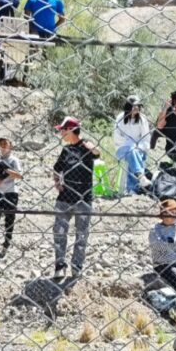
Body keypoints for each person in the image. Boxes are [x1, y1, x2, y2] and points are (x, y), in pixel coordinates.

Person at [52, 117, 98, 282]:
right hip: (64, 197)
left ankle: (77, 267)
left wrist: (89, 145)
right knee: (59, 232)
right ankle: (60, 265)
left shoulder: (86, 147)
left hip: (84, 198)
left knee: (81, 234)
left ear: (70, 130)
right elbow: (56, 168)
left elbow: (97, 153)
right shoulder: (66, 150)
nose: (61, 133)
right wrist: (57, 182)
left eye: (63, 130)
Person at [148, 198, 176, 294]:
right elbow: (157, 246)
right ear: (163, 215)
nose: (173, 216)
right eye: (171, 213)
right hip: (164, 263)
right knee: (175, 274)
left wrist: (173, 241)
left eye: (175, 213)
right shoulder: (155, 229)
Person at [0, 137, 22, 255]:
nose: (3, 146)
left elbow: (19, 175)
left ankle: (7, 241)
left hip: (11, 191)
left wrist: (6, 170)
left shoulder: (14, 160)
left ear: (10, 146)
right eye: (0, 144)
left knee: (9, 218)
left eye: (5, 144)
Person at [114, 96, 150, 195]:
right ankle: (139, 178)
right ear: (128, 106)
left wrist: (138, 147)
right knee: (131, 151)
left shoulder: (142, 119)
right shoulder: (120, 118)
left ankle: (132, 189)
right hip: (122, 148)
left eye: (138, 106)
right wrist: (132, 145)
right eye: (134, 106)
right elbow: (117, 138)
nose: (136, 108)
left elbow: (146, 138)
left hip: (139, 149)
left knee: (133, 154)